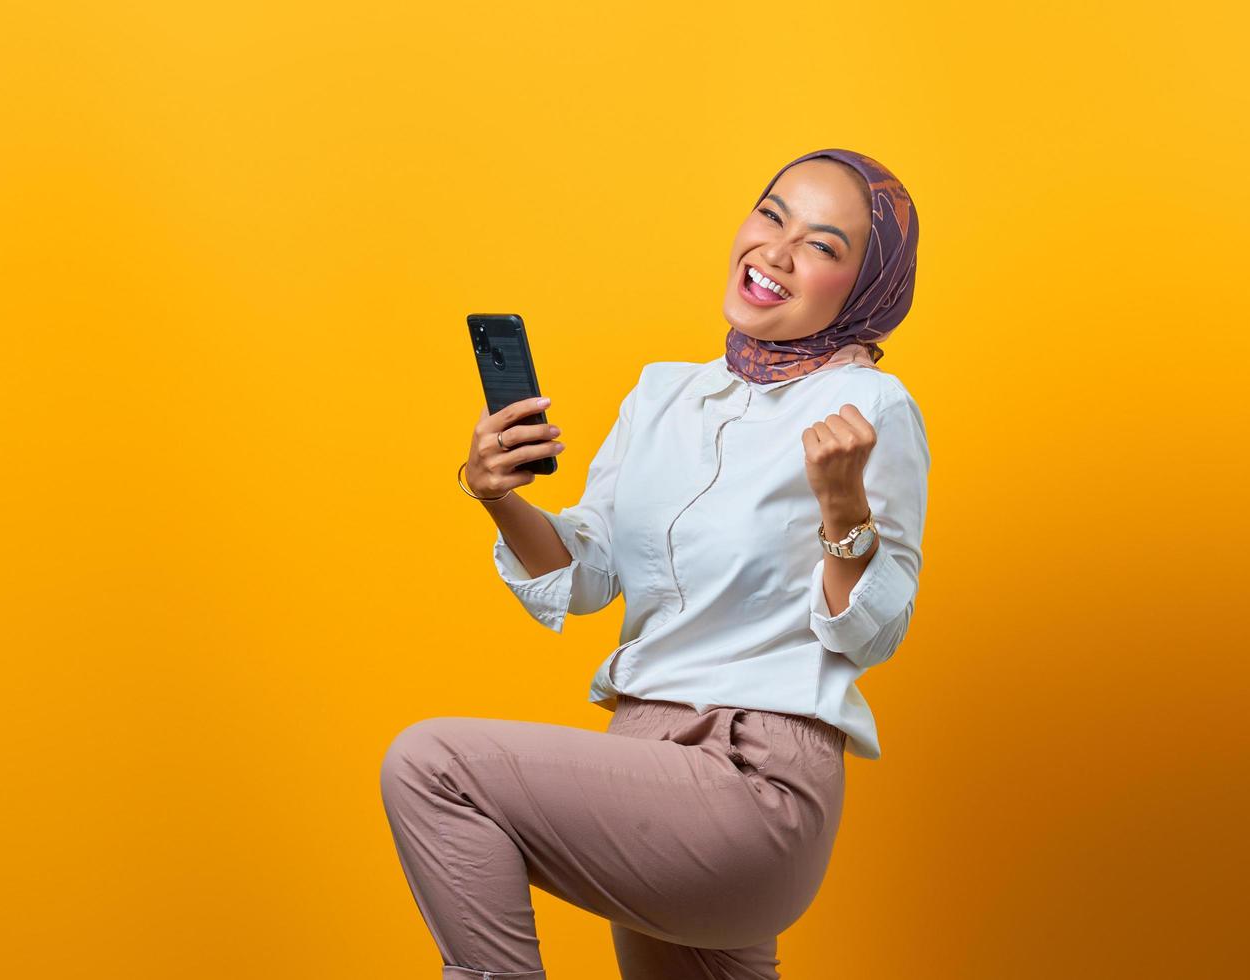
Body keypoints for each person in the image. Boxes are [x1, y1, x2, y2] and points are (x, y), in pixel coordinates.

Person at [381, 148, 927, 980]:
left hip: (750, 781)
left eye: (822, 246)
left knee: (435, 766)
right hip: (648, 765)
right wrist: (499, 495)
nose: (775, 252)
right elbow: (588, 573)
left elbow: (869, 634)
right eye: (771, 215)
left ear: (864, 288)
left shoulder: (867, 407)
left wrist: (844, 507)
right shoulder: (663, 395)